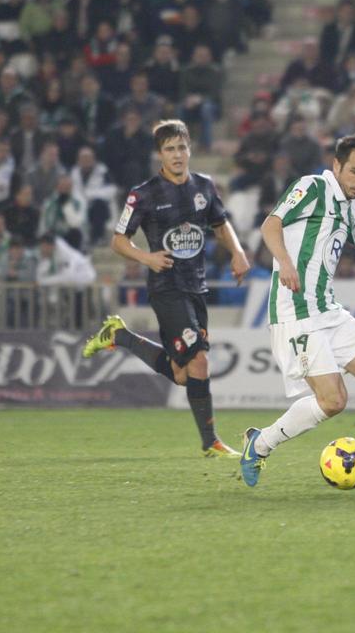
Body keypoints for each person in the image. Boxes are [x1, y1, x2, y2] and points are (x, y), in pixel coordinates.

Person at [238, 132, 355, 494]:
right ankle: (259, 443)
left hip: (327, 309)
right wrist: (285, 263)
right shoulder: (312, 187)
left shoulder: (352, 208)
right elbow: (270, 225)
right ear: (336, 165)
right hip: (295, 310)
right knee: (333, 401)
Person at [82, 121, 250, 458]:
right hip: (166, 288)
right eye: (169, 149)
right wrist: (147, 258)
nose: (177, 155)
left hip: (196, 288)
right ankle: (211, 442)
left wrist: (238, 252)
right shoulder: (142, 194)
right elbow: (118, 240)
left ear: (189, 149)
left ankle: (121, 336)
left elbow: (220, 222)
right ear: (160, 154)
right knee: (199, 362)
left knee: (182, 374)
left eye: (181, 147)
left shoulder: (204, 185)